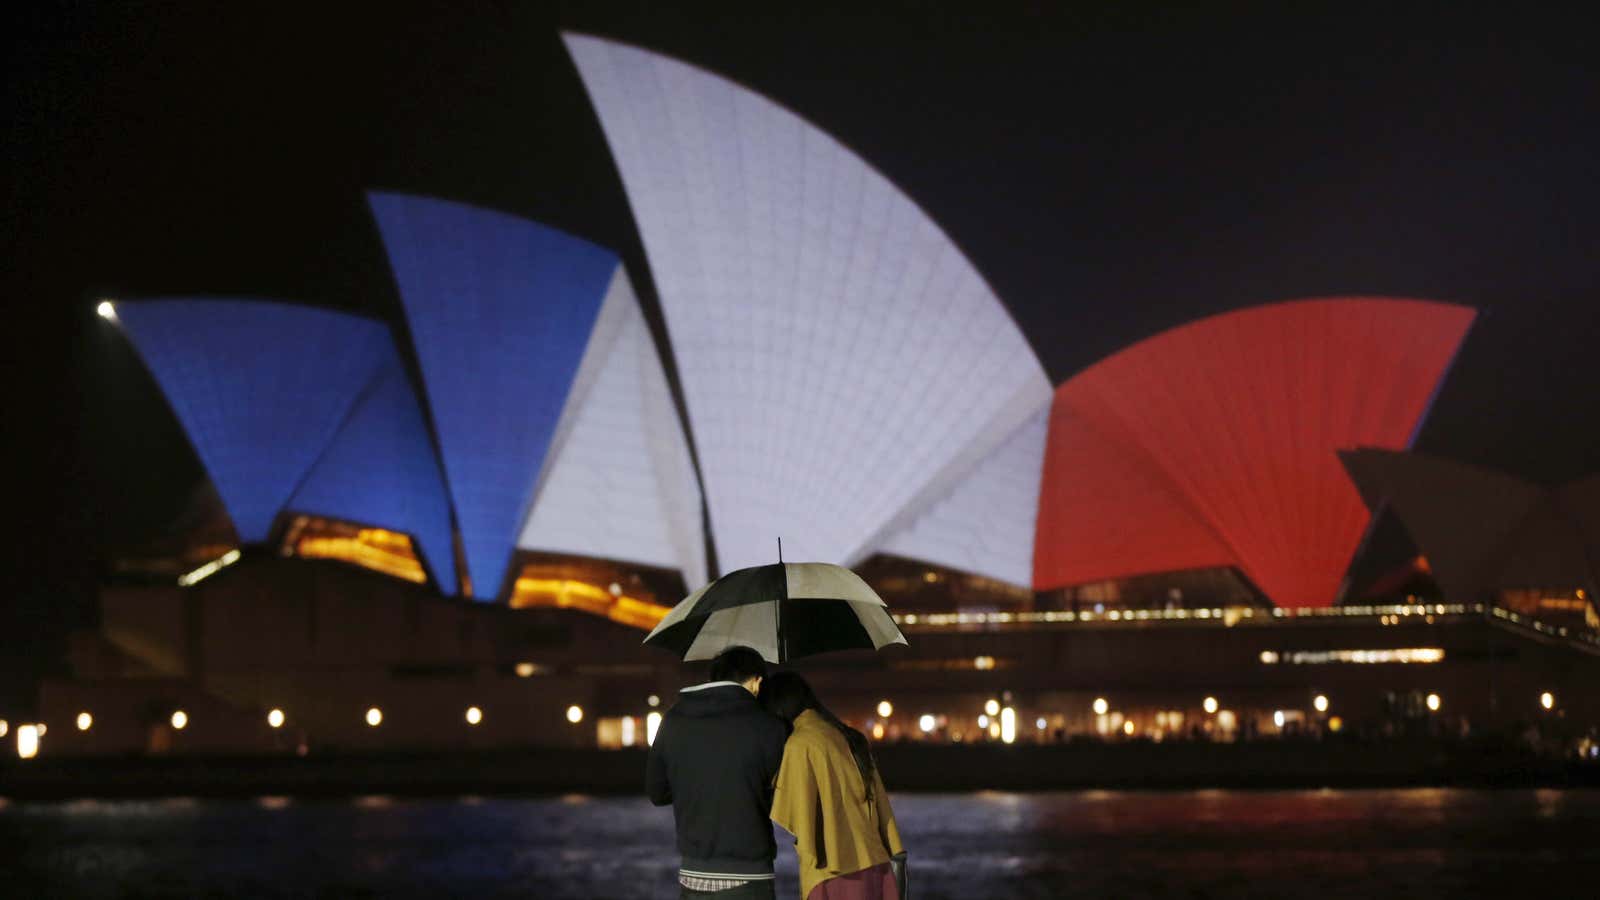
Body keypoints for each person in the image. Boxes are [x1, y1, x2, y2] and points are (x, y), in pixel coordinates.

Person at [648, 646, 789, 899]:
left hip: (693, 873)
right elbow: (784, 795)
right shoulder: (769, 727)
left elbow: (657, 793)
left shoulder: (673, 720)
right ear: (756, 681)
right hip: (749, 874)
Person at [761, 671, 905, 900]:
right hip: (878, 866)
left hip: (834, 873)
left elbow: (795, 816)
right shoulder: (849, 736)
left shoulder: (800, 744)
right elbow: (882, 808)